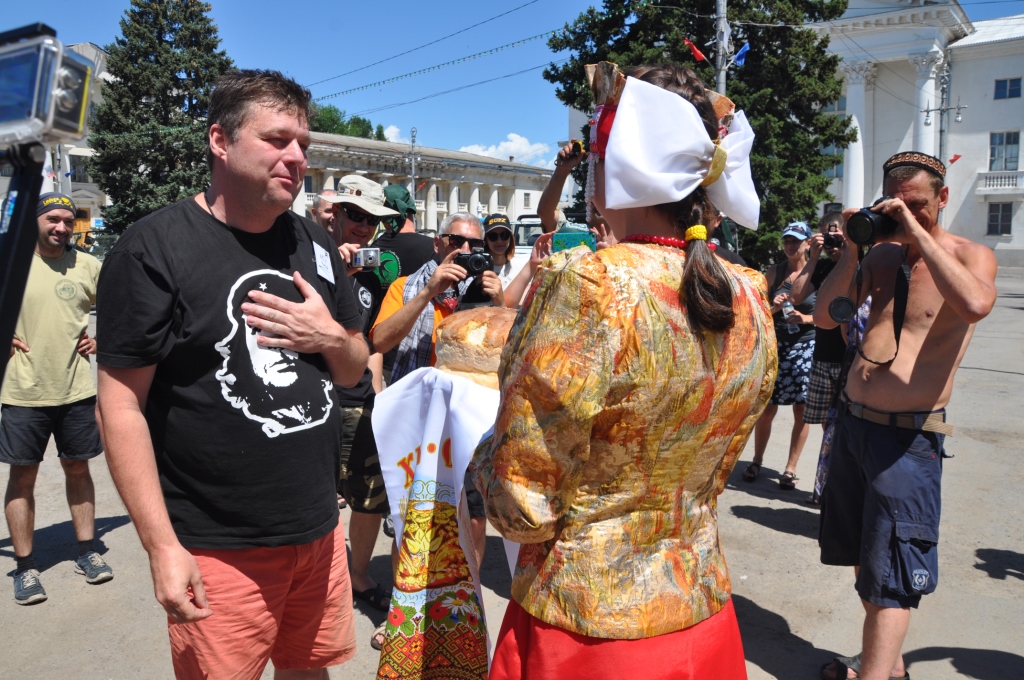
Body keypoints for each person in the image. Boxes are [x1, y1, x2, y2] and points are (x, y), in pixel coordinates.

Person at [473, 62, 775, 679]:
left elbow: (520, 499)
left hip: (587, 624)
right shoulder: (749, 291)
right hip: (699, 603)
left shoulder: (589, 283)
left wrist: (477, 457)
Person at [96, 70, 368, 679]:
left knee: (310, 669)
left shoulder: (312, 243)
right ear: (220, 140)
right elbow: (118, 406)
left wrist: (328, 337)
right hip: (217, 544)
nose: (296, 158)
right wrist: (161, 547)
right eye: (276, 140)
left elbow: (354, 364)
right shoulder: (153, 249)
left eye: (303, 144)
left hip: (320, 529)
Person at [815, 152, 997, 680]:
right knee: (860, 553)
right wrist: (855, 249)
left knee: (892, 570)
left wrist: (918, 234)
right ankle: (887, 663)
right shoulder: (880, 257)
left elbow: (975, 305)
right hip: (854, 423)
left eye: (916, 203)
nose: (903, 213)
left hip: (908, 439)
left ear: (942, 197)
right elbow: (825, 315)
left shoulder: (971, 255)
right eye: (895, 203)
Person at [369, 212, 503, 566]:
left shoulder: (486, 289)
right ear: (437, 243)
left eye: (475, 244)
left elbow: (508, 350)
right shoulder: (405, 286)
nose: (465, 249)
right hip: (420, 418)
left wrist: (501, 305)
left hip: (470, 422)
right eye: (455, 241)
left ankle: (468, 596)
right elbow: (380, 340)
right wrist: (429, 291)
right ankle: (406, 597)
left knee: (474, 516)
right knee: (413, 516)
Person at [1, 192, 112, 606]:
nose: (62, 227)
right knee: (23, 476)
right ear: (35, 221)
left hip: (75, 390)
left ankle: (87, 552)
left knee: (78, 468)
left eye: (68, 220)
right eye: (53, 219)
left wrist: (102, 339)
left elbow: (125, 307)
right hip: (23, 390)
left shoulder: (87, 265)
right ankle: (26, 568)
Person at [321, 175, 400, 647]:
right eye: (356, 215)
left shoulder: (371, 275)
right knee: (318, 501)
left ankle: (359, 577)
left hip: (362, 402)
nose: (365, 227)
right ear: (334, 213)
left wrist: (377, 391)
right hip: (313, 403)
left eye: (373, 220)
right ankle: (323, 586)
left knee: (370, 497)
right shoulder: (306, 261)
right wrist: (336, 276)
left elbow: (371, 343)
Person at [743, 221, 816, 490]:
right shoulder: (774, 272)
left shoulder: (818, 271)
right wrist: (773, 308)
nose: (790, 245)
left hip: (806, 347)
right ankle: (757, 460)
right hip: (776, 346)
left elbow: (830, 313)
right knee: (767, 408)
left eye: (796, 240)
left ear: (808, 243)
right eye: (787, 240)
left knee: (802, 409)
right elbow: (756, 310)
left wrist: (806, 318)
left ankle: (790, 468)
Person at [789, 212, 846, 504]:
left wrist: (850, 251)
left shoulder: (862, 264)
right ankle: (827, 487)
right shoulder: (822, 267)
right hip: (823, 357)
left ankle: (838, 490)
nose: (831, 243)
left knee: (847, 428)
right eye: (825, 237)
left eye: (836, 236)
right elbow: (796, 296)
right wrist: (813, 258)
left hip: (851, 359)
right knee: (827, 426)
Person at [370, 184, 436, 388]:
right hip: (423, 347)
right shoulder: (431, 247)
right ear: (411, 211)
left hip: (383, 350)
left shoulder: (372, 249)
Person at [481, 213, 516, 288]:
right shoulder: (479, 268)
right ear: (485, 239)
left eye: (504, 235)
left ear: (510, 237)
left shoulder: (520, 267)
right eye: (493, 236)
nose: (499, 241)